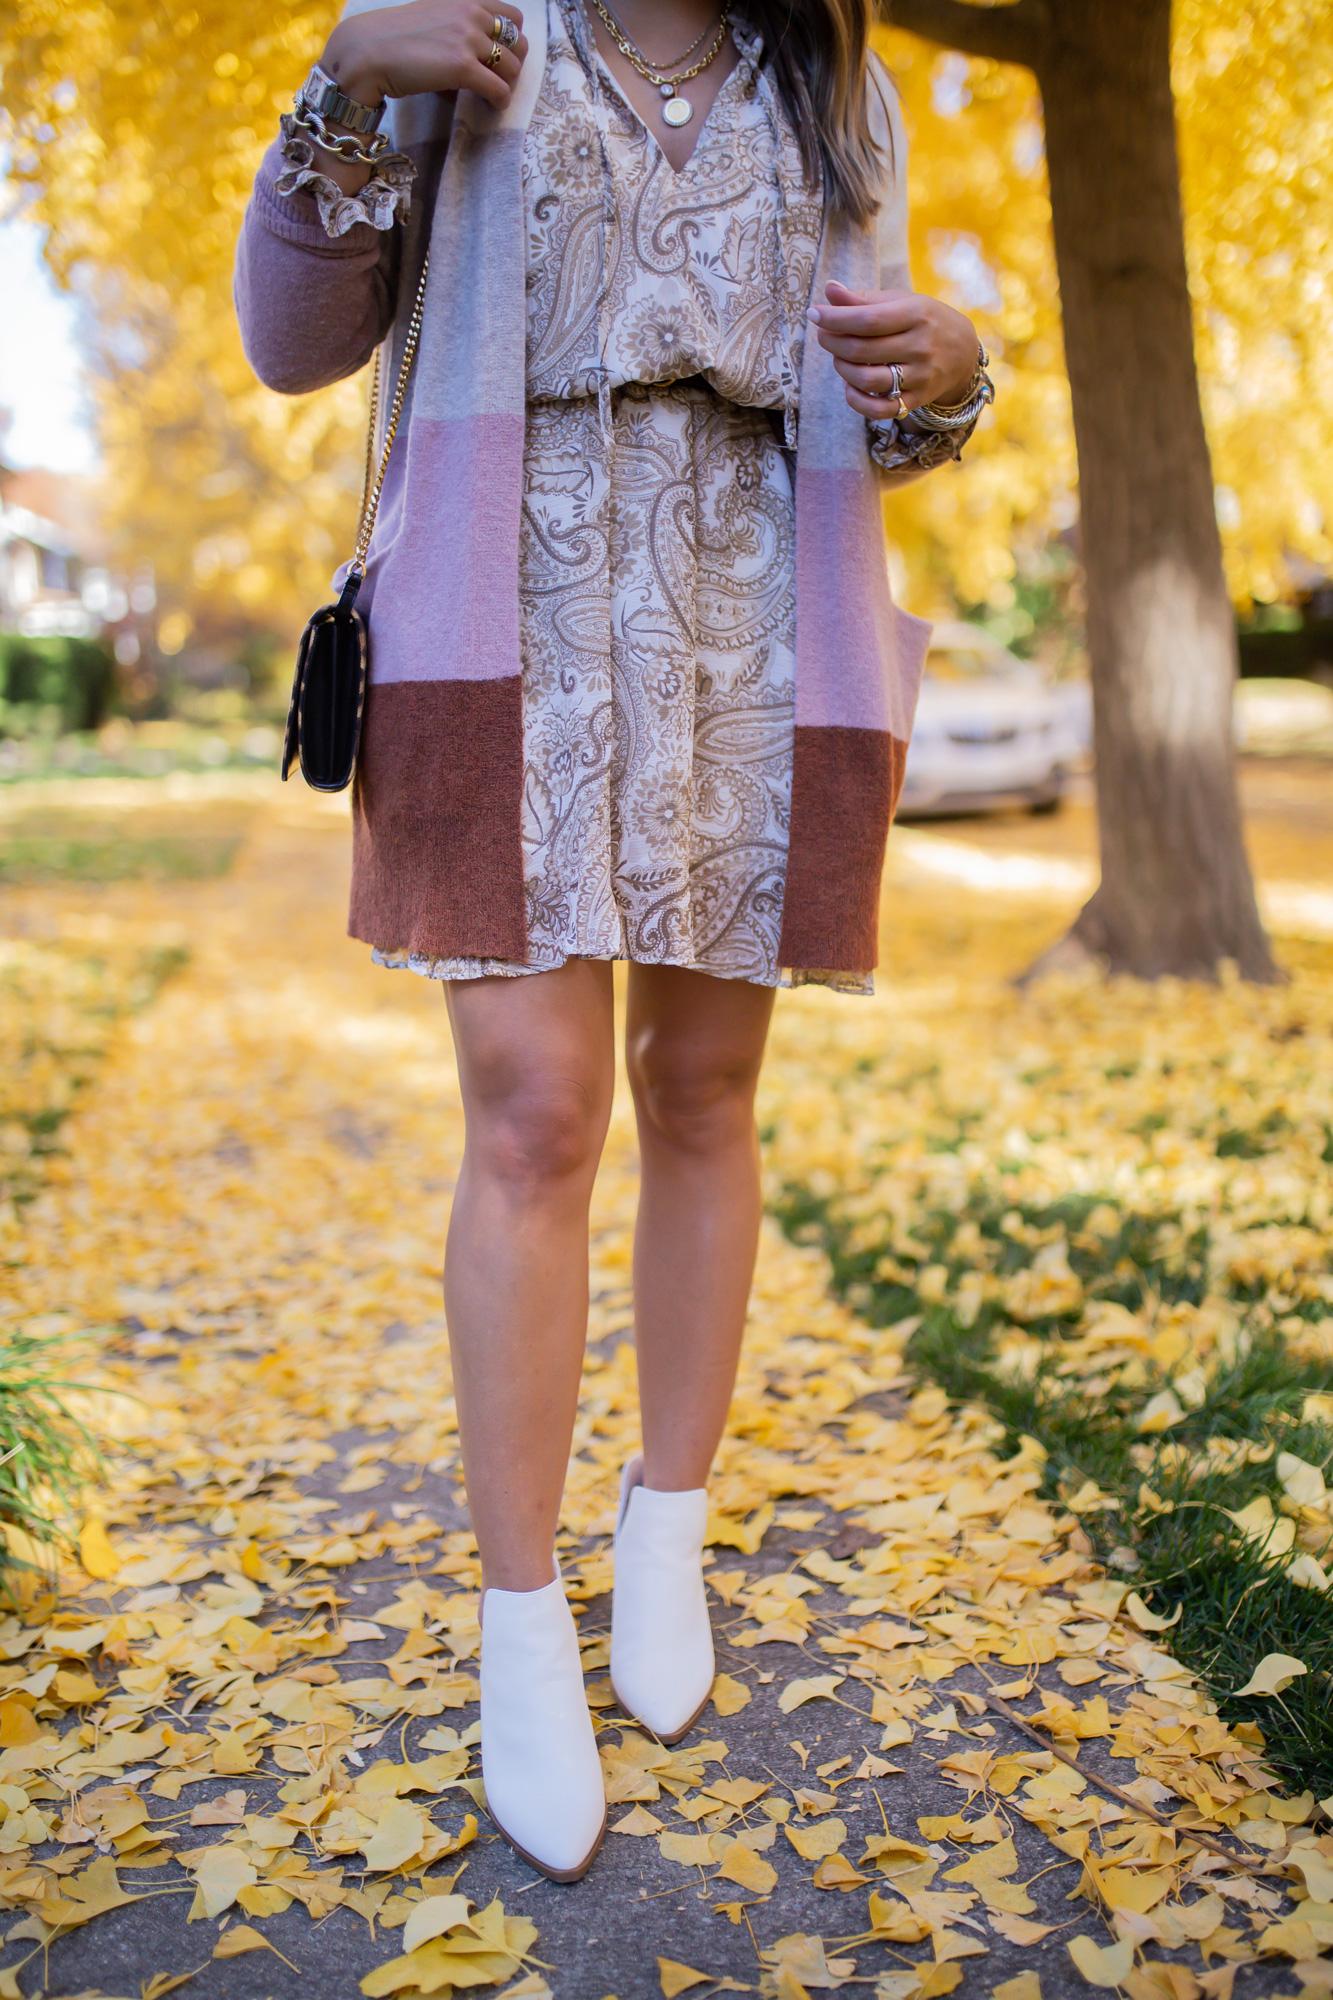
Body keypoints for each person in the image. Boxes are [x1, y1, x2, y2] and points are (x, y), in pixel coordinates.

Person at [236, 0, 989, 1882]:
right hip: (509, 599)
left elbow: (884, 422)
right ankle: (518, 1617)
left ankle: (665, 1525)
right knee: (532, 1112)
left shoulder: (827, 83)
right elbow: (289, 344)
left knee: (705, 1090)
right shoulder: (470, 32)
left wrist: (952, 373)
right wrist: (349, 76)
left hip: (754, 611)